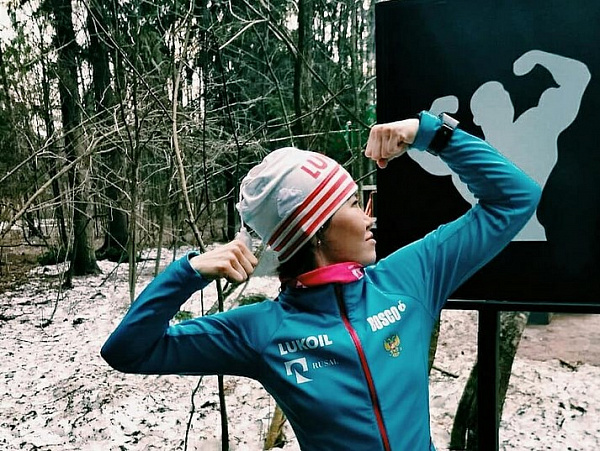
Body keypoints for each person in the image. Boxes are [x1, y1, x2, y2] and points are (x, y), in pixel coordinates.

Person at [101, 111, 541, 450]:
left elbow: (517, 198)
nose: (368, 217)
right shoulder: (262, 330)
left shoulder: (409, 278)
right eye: (351, 203)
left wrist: (432, 134)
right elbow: (127, 351)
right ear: (313, 228)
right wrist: (185, 273)